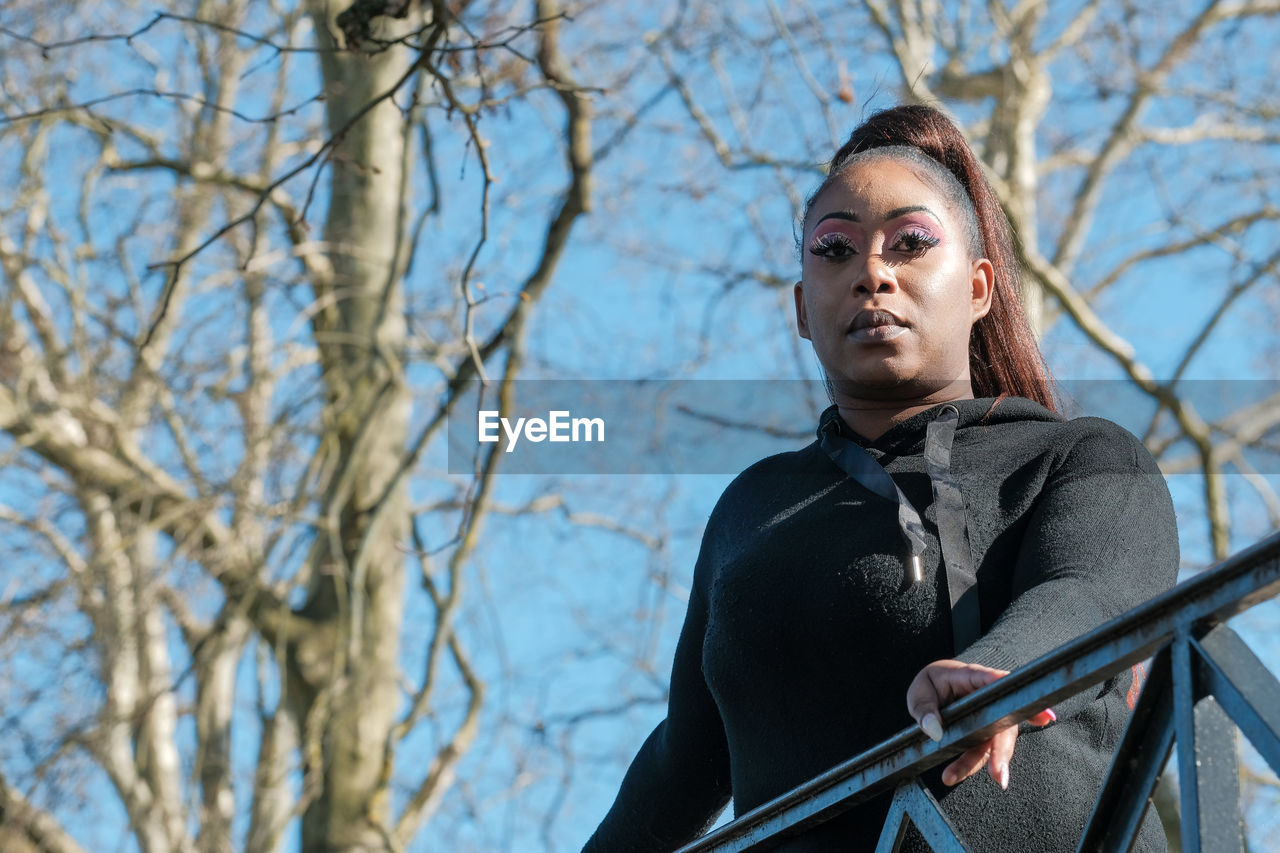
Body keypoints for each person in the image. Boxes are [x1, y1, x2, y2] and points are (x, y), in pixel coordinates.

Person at [581, 104, 1178, 852]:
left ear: (980, 287)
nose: (872, 273)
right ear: (803, 308)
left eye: (911, 244)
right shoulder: (751, 509)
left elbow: (1091, 594)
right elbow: (683, 763)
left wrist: (1003, 670)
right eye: (835, 249)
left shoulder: (1080, 457)